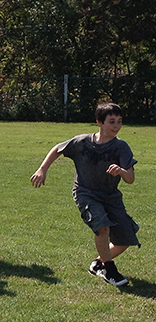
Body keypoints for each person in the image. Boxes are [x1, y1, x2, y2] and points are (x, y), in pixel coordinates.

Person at [30, 102, 139, 287]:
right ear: (99, 122)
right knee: (102, 227)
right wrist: (42, 169)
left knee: (125, 239)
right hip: (86, 193)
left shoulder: (121, 147)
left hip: (111, 196)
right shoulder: (82, 142)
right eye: (111, 121)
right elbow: (57, 149)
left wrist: (121, 171)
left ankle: (98, 263)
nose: (116, 126)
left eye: (119, 121)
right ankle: (109, 270)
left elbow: (130, 178)